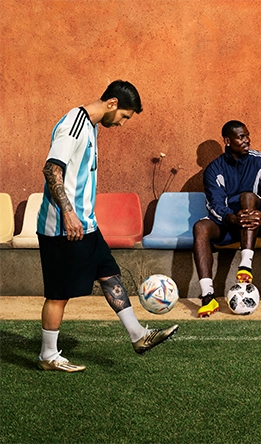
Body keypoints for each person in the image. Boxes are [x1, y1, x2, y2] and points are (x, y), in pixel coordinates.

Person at [36, 80, 178, 372]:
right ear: (112, 103)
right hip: (63, 227)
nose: (122, 123)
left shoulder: (92, 126)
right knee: (59, 293)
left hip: (86, 225)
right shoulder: (74, 124)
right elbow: (52, 168)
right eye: (124, 116)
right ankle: (48, 355)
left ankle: (138, 335)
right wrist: (68, 213)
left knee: (109, 274)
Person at [192, 120, 261, 317]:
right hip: (229, 222)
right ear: (227, 141)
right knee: (200, 227)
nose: (247, 140)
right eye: (241, 137)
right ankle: (208, 297)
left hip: (256, 224)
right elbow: (215, 205)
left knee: (248, 197)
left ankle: (245, 265)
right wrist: (231, 218)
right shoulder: (214, 169)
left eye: (247, 135)